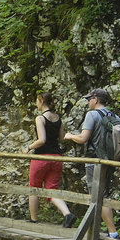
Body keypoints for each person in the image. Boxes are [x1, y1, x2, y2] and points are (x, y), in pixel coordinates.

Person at [64, 87, 119, 239]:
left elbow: (83, 138)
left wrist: (69, 136)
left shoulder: (92, 114)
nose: (88, 102)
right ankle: (104, 233)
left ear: (95, 99)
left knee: (97, 197)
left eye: (89, 99)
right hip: (109, 160)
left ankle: (112, 234)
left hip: (95, 160)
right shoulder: (112, 114)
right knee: (104, 195)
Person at [25, 92, 75, 228]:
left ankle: (34, 220)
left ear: (41, 101)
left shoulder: (40, 119)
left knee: (33, 188)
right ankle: (67, 214)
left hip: (41, 157)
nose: (36, 103)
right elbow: (61, 138)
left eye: (37, 100)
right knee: (51, 189)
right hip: (57, 158)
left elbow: (42, 140)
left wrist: (28, 147)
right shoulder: (58, 118)